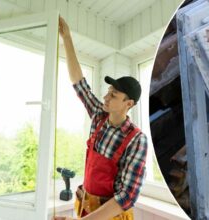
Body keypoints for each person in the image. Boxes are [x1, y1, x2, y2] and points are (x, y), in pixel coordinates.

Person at [54, 16, 148, 220]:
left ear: (128, 104)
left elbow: (127, 197)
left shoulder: (137, 140)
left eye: (114, 95)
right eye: (108, 91)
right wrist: (67, 38)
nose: (106, 97)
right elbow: (79, 82)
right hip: (85, 208)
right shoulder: (99, 116)